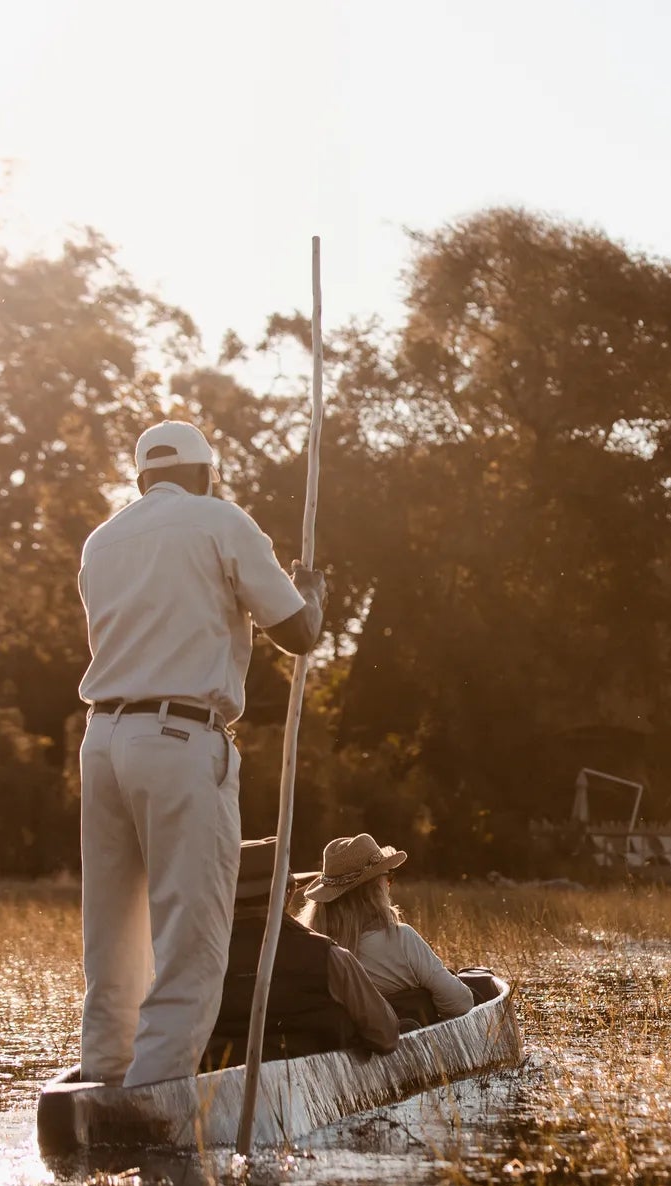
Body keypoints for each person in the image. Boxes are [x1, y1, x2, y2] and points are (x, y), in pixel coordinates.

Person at [75, 419, 326, 1087]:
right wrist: (315, 592)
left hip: (101, 741)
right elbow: (297, 632)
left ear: (142, 479)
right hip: (180, 739)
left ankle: (104, 1074)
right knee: (192, 936)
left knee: (113, 927)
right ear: (204, 474)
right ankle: (156, 1094)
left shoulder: (101, 541)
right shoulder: (220, 519)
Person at [199, 839, 401, 1069]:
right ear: (289, 892)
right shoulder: (329, 957)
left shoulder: (198, 963)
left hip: (219, 1095)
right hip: (316, 1095)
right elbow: (386, 1036)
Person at [300, 834, 474, 1027]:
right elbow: (460, 1003)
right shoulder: (402, 939)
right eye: (388, 878)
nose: (389, 886)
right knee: (480, 987)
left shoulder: (311, 952)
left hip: (345, 1044)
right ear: (374, 890)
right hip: (404, 1042)